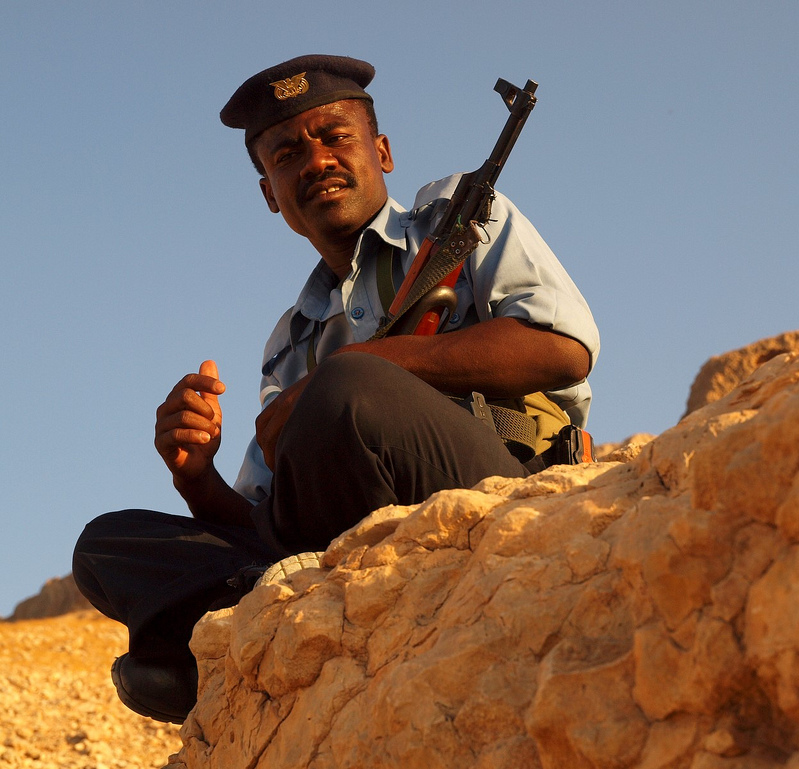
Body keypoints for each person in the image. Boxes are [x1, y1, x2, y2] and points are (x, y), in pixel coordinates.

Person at [72, 55, 599, 724]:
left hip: (494, 499)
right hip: (329, 551)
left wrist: (371, 364)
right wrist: (197, 480)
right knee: (106, 544)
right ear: (270, 192)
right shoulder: (291, 338)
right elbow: (268, 517)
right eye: (287, 153)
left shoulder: (461, 216)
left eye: (334, 136)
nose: (315, 160)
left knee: (350, 382)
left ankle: (207, 645)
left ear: (381, 151)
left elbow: (563, 346)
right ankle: (260, 622)